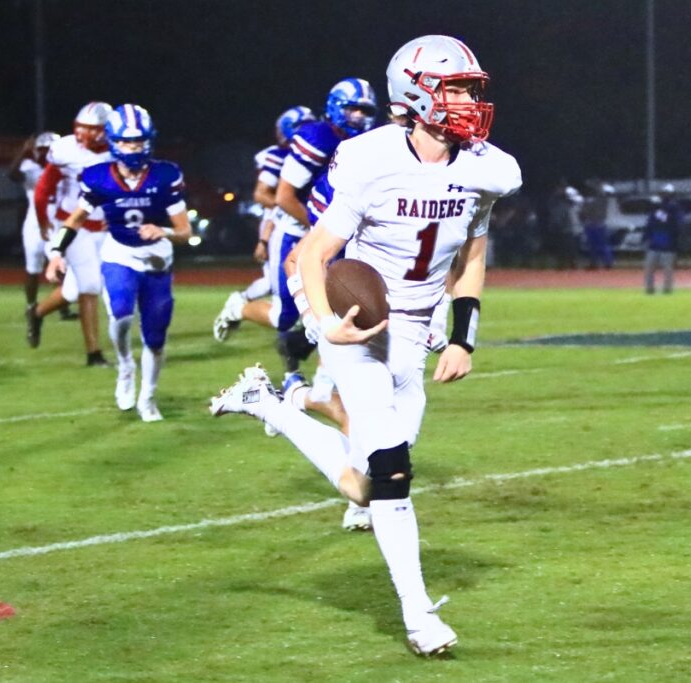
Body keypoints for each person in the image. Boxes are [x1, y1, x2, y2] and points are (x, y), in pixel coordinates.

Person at [211, 35, 521, 656]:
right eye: (456, 89)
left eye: (471, 89)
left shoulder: (490, 168)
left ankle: (268, 405)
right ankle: (419, 617)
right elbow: (312, 254)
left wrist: (463, 339)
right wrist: (326, 323)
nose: (469, 101)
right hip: (360, 324)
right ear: (415, 94)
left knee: (367, 487)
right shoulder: (368, 158)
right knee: (394, 470)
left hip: (419, 329)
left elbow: (471, 259)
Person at [46, 104, 191, 422]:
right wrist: (56, 252)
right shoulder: (98, 177)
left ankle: (147, 397)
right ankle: (125, 365)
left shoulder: (165, 175)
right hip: (119, 253)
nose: (133, 148)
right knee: (122, 315)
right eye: (126, 142)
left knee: (155, 337)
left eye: (139, 142)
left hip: (156, 258)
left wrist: (164, 230)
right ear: (113, 142)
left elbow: (185, 231)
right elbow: (75, 219)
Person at [213, 105, 315, 341]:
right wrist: (266, 237)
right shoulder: (279, 156)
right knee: (285, 316)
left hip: (315, 233)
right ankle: (239, 307)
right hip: (291, 232)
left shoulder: (324, 151)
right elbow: (264, 196)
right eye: (304, 127)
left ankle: (314, 363)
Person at [27, 102, 113, 367]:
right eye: (81, 127)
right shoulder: (65, 149)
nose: (83, 133)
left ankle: (37, 312)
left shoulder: (120, 150)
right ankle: (94, 353)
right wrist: (43, 220)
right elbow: (43, 188)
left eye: (91, 128)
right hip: (74, 226)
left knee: (74, 290)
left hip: (105, 229)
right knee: (90, 286)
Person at [7, 132, 62, 311]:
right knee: (33, 268)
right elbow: (12, 174)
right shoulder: (30, 168)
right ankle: (31, 306)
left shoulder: (67, 169)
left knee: (62, 266)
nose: (45, 153)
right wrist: (23, 152)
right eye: (42, 149)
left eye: (49, 149)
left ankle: (63, 306)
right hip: (34, 225)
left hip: (58, 225)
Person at [643, 183, 681, 294]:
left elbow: (677, 226)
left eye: (668, 193)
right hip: (654, 244)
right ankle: (649, 289)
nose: (665, 195)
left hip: (668, 245)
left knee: (667, 269)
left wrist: (674, 243)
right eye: (664, 193)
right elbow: (650, 224)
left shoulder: (675, 209)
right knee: (649, 268)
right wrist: (646, 237)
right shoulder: (655, 209)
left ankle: (667, 289)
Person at [580, 181, 614, 269]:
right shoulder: (599, 199)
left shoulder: (599, 199)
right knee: (595, 245)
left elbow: (585, 211)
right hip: (595, 224)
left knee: (600, 245)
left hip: (596, 224)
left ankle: (604, 262)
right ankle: (599, 262)